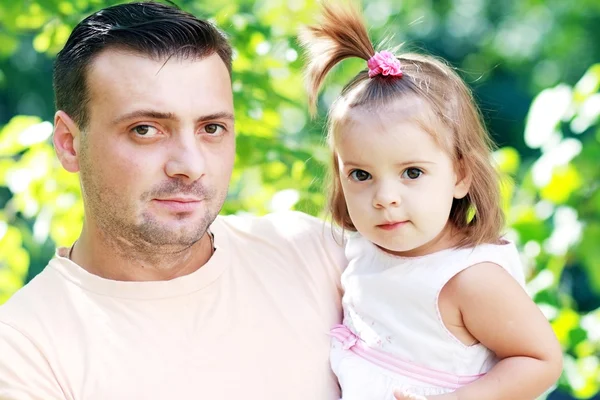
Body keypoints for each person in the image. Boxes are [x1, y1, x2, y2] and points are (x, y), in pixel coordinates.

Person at [0, 2, 346, 399]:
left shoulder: (316, 255)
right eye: (145, 129)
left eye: (211, 128)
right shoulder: (23, 350)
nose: (190, 165)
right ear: (69, 144)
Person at [299, 2, 563, 399]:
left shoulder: (469, 280)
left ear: (460, 174)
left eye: (412, 173)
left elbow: (540, 361)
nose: (385, 198)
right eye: (361, 175)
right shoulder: (363, 247)